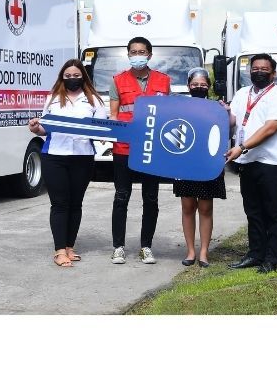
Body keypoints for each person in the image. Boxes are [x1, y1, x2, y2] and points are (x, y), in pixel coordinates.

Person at [28, 59, 108, 267]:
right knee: (60, 204)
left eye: (76, 75)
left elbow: (102, 128)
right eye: (68, 76)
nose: (72, 79)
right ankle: (59, 250)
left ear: (83, 76)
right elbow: (45, 128)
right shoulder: (53, 99)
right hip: (55, 156)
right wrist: (36, 128)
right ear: (62, 78)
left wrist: (105, 135)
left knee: (75, 203)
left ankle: (70, 247)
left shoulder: (94, 101)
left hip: (82, 157)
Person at [225, 53, 277, 274]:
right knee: (252, 211)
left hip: (272, 162)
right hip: (248, 161)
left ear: (273, 73)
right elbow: (234, 121)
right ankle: (255, 254)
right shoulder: (242, 93)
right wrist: (221, 113)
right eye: (255, 68)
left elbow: (270, 128)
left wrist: (242, 147)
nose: (259, 72)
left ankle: (273, 259)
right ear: (249, 71)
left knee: (273, 213)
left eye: (264, 69)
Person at [108, 36, 171, 264]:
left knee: (151, 199)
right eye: (133, 52)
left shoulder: (164, 81)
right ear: (128, 54)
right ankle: (118, 247)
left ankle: (146, 246)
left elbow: (167, 116)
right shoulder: (117, 81)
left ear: (149, 55)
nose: (137, 55)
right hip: (124, 148)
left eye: (141, 51)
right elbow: (114, 116)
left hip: (151, 150)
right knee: (121, 197)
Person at [174, 67, 227, 268]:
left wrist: (227, 111)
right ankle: (190, 251)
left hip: (208, 163)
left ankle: (204, 252)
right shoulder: (179, 106)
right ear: (188, 85)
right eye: (195, 84)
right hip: (184, 163)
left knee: (205, 208)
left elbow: (229, 127)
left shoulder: (217, 107)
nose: (198, 87)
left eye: (203, 84)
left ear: (209, 87)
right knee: (187, 207)